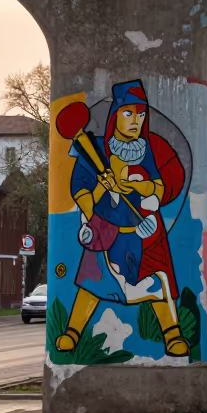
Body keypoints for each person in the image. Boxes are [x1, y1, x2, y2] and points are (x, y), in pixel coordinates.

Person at [55, 79, 189, 357]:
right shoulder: (97, 149)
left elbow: (168, 180)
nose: (135, 120)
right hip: (106, 229)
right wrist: (102, 187)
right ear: (116, 114)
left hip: (146, 229)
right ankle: (72, 332)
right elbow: (79, 186)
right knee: (92, 281)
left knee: (158, 280)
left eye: (141, 114)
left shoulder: (153, 147)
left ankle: (172, 334)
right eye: (128, 113)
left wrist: (141, 186)